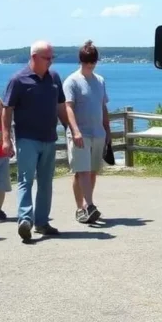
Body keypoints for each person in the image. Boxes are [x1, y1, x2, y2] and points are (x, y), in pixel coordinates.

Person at [2, 40, 69, 242]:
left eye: (52, 58)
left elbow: (61, 106)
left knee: (46, 182)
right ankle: (25, 220)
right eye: (47, 58)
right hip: (27, 138)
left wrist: (70, 128)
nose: (50, 61)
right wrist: (6, 139)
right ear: (34, 57)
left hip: (49, 137)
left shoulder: (54, 78)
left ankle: (42, 222)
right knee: (26, 180)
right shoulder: (18, 80)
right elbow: (7, 109)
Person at [63, 40, 111, 224]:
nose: (90, 65)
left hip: (97, 132)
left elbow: (103, 107)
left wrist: (107, 130)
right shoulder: (72, 81)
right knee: (81, 170)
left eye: (93, 61)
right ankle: (86, 206)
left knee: (91, 171)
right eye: (87, 61)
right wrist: (75, 130)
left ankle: (86, 205)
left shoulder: (100, 81)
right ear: (81, 61)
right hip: (80, 133)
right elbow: (68, 107)